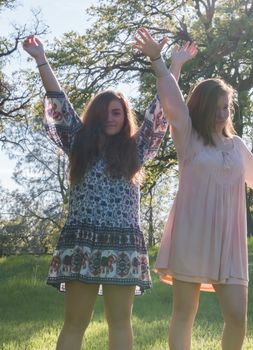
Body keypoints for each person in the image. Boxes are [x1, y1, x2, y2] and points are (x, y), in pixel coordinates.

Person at [22, 28, 180, 350]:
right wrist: (42, 60)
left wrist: (166, 63)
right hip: (83, 242)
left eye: (117, 112)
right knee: (75, 323)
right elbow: (60, 102)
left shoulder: (137, 149)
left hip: (123, 244)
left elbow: (161, 109)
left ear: (125, 117)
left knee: (120, 322)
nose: (111, 118)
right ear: (94, 116)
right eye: (105, 112)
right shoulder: (80, 142)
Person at [154, 44, 253, 350]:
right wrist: (162, 63)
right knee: (184, 313)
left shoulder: (237, 146)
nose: (222, 113)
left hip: (230, 241)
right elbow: (171, 101)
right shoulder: (188, 137)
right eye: (216, 107)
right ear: (202, 108)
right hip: (192, 235)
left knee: (238, 316)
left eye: (226, 107)